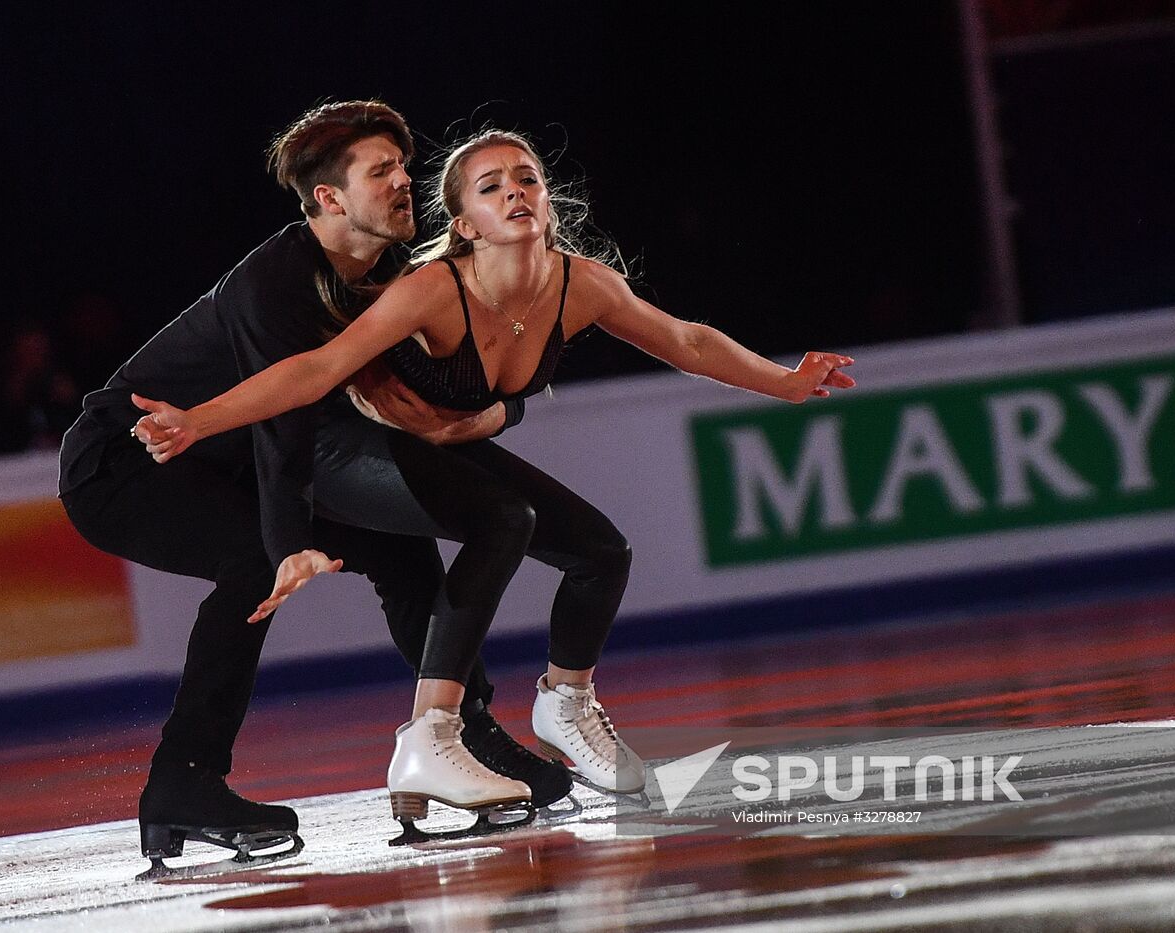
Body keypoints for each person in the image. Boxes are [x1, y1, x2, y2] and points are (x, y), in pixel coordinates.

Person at [133, 128, 856, 831]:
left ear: (548, 201)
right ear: (466, 224)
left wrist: (785, 382)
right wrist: (201, 418)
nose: (514, 192)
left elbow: (687, 341)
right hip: (348, 450)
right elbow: (316, 370)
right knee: (504, 518)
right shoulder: (432, 290)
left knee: (602, 551)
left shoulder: (584, 286)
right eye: (491, 186)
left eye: (527, 179)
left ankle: (565, 707)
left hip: (436, 449)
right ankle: (430, 735)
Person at [58, 104, 571, 872]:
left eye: (404, 163)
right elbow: (284, 433)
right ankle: (184, 783)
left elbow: (463, 369)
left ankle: (463, 734)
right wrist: (287, 542)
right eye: (381, 171)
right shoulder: (276, 282)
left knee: (403, 549)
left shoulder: (394, 276)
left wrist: (511, 405)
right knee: (251, 562)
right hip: (125, 462)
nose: (406, 179)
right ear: (331, 200)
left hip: (220, 462)